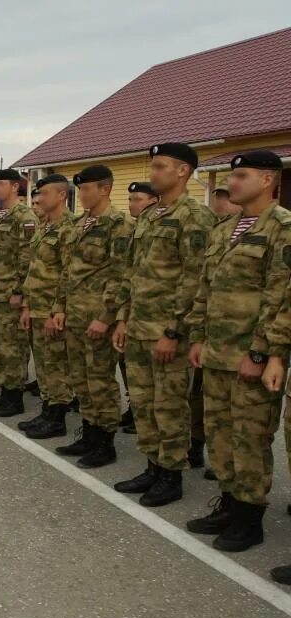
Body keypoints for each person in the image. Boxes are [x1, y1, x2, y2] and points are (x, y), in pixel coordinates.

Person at [184, 150, 289, 553]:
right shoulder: (225, 229)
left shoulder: (282, 228)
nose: (233, 183)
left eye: (242, 175)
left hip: (250, 355)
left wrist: (266, 353)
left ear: (267, 180)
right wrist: (197, 337)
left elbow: (281, 297)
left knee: (251, 438)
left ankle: (250, 519)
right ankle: (228, 504)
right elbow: (204, 288)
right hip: (215, 352)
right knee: (220, 434)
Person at [113, 143, 215, 506]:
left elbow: (195, 280)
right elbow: (132, 273)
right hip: (139, 328)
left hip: (166, 334)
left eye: (159, 167)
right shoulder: (151, 216)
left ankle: (171, 475)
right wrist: (123, 318)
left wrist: (174, 331)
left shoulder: (195, 217)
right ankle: (153, 465)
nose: (152, 173)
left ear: (182, 172)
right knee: (142, 402)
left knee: (169, 405)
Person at [50, 166, 131, 466]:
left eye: (86, 189)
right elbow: (67, 272)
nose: (81, 194)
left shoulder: (119, 224)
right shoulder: (78, 224)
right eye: (79, 189)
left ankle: (105, 442)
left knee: (100, 380)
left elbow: (121, 275)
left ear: (104, 189)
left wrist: (106, 316)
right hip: (74, 316)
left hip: (98, 318)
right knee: (80, 379)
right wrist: (59, 307)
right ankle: (89, 433)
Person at [19, 175, 74, 440]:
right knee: (42, 366)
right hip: (37, 307)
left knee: (56, 367)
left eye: (44, 194)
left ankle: (58, 418)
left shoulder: (69, 227)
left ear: (61, 195)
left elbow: (68, 274)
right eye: (37, 195)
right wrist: (28, 306)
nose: (39, 199)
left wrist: (57, 311)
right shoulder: (43, 226)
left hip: (52, 310)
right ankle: (47, 410)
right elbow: (34, 269)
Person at [0, 169, 37, 418]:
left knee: (12, 346)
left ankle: (15, 398)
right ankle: (4, 391)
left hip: (10, 293)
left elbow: (28, 256)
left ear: (15, 187)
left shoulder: (24, 215)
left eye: (2, 184)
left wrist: (19, 291)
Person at [119, 181, 159, 434]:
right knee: (129, 368)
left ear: (153, 201)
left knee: (156, 380)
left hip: (156, 321)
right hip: (132, 315)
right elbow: (128, 273)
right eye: (131, 199)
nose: (133, 204)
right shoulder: (135, 228)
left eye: (139, 199)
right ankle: (135, 409)